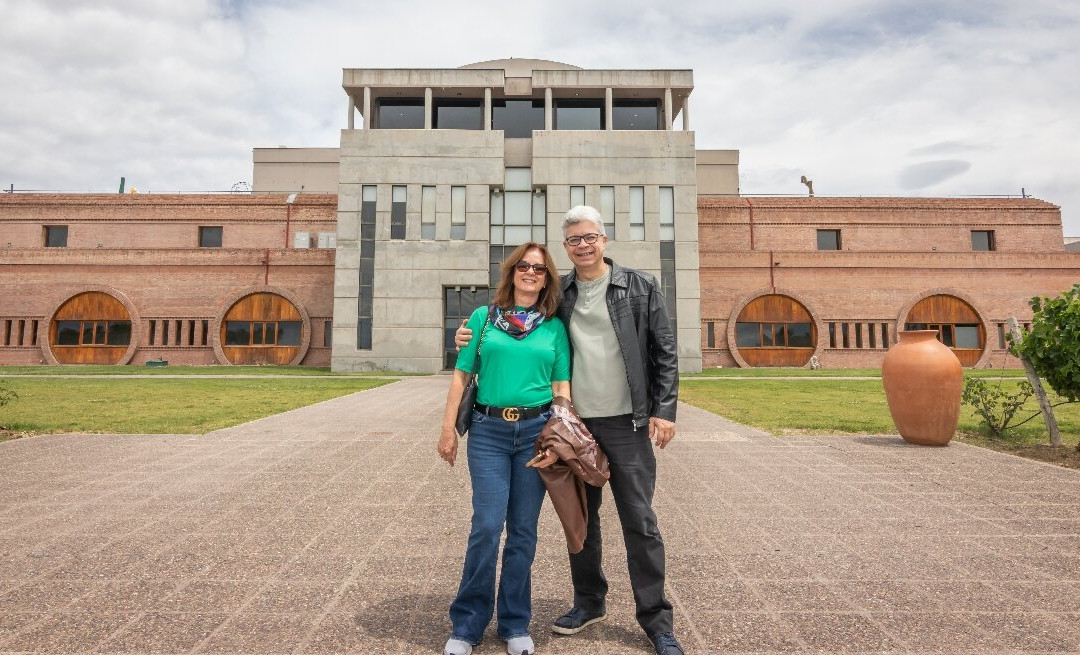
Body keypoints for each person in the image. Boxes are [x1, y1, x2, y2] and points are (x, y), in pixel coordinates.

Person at [456, 206, 683, 655]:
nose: (583, 244)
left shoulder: (640, 286)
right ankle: (589, 602)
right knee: (580, 519)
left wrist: (665, 409)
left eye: (590, 237)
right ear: (566, 247)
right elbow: (518, 325)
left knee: (639, 521)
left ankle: (656, 621)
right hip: (575, 425)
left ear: (604, 239)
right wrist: (467, 332)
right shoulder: (564, 295)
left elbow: (665, 351)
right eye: (574, 239)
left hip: (627, 422)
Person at [438, 241, 570, 655]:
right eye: (524, 266)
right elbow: (461, 378)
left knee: (523, 532)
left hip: (534, 432)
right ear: (511, 272)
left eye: (540, 269)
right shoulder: (482, 319)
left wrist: (558, 439)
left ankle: (514, 622)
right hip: (488, 432)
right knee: (487, 526)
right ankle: (467, 624)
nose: (531, 273)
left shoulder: (553, 327)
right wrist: (446, 431)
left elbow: (562, 388)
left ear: (547, 278)